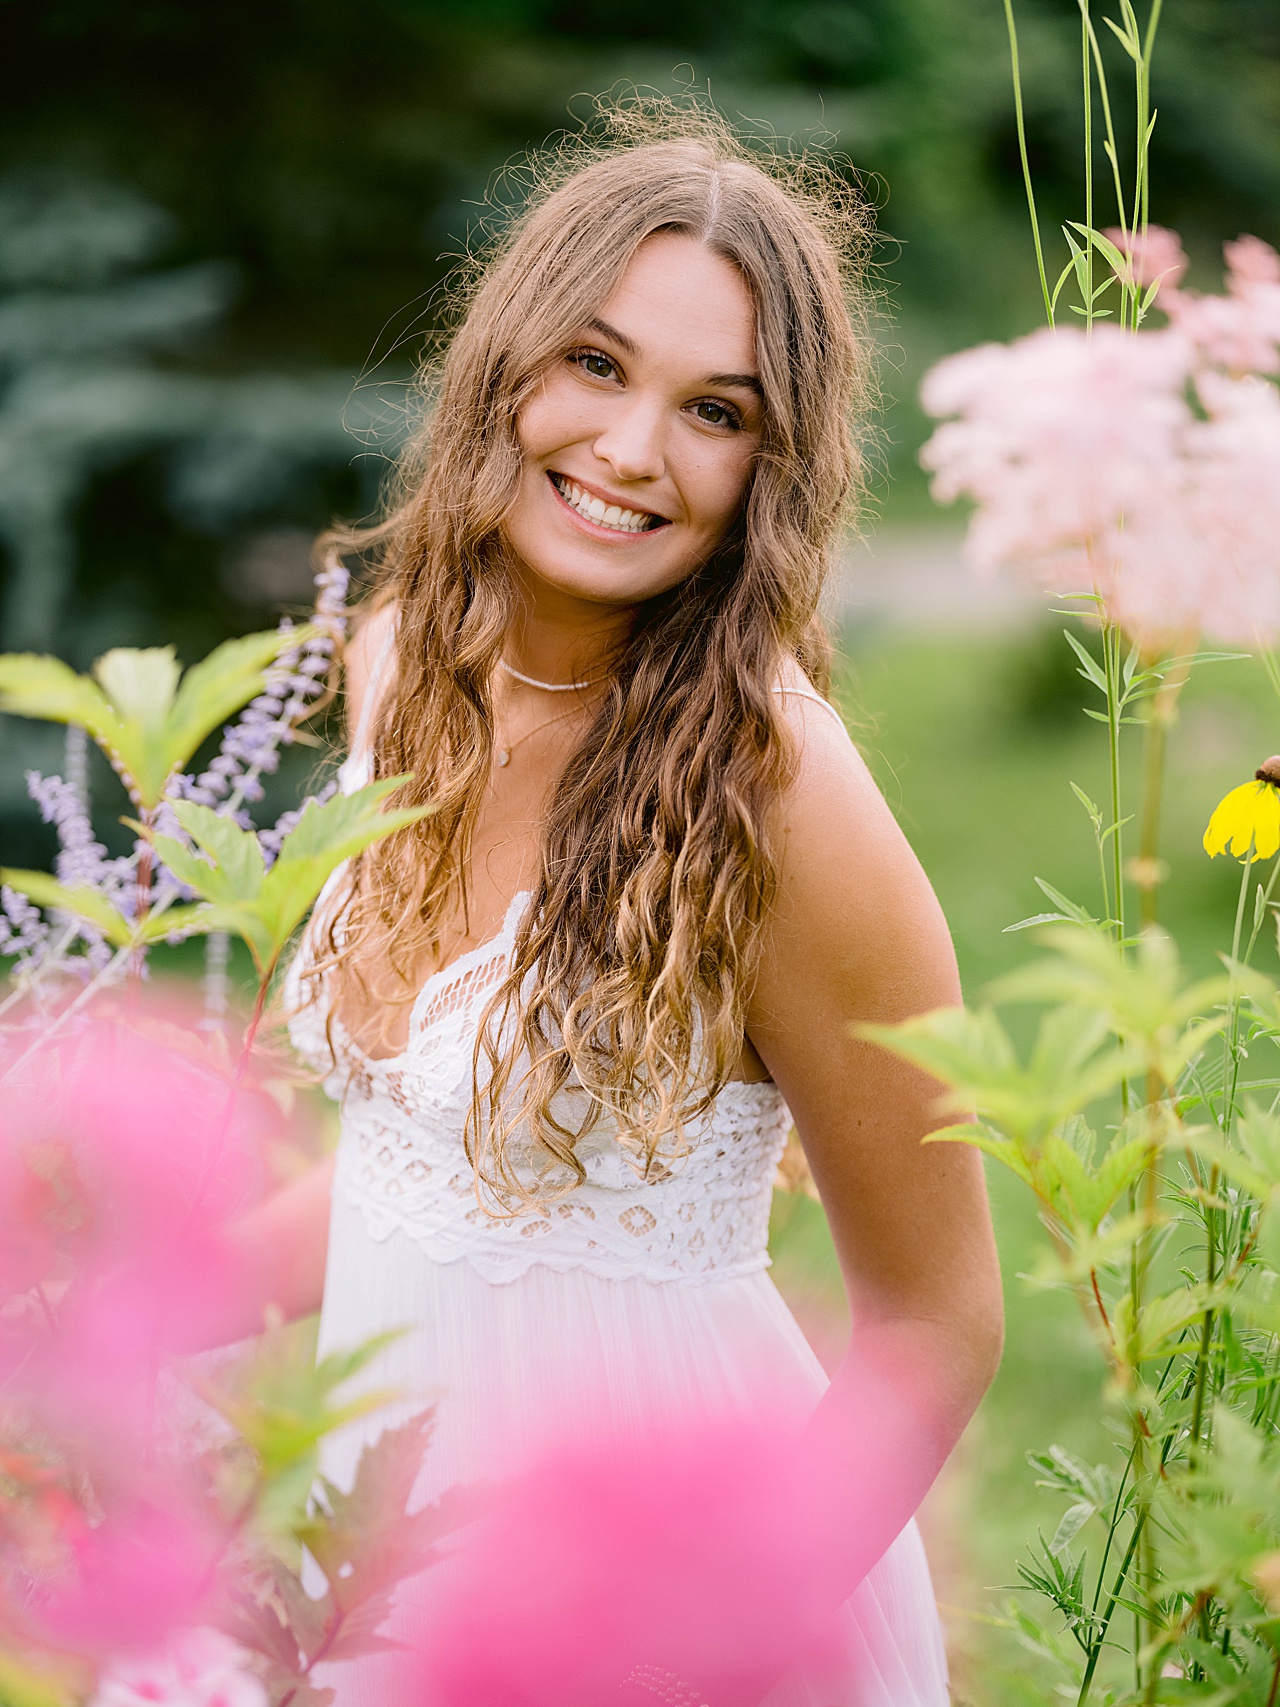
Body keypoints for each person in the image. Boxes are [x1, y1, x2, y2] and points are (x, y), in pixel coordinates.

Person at [234, 107, 1003, 1705]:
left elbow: (937, 1327)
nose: (633, 450)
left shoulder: (777, 796)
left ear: (770, 468)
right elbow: (424, 1168)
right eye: (595, 365)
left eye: (713, 410)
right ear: (504, 364)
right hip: (382, 1560)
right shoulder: (402, 672)